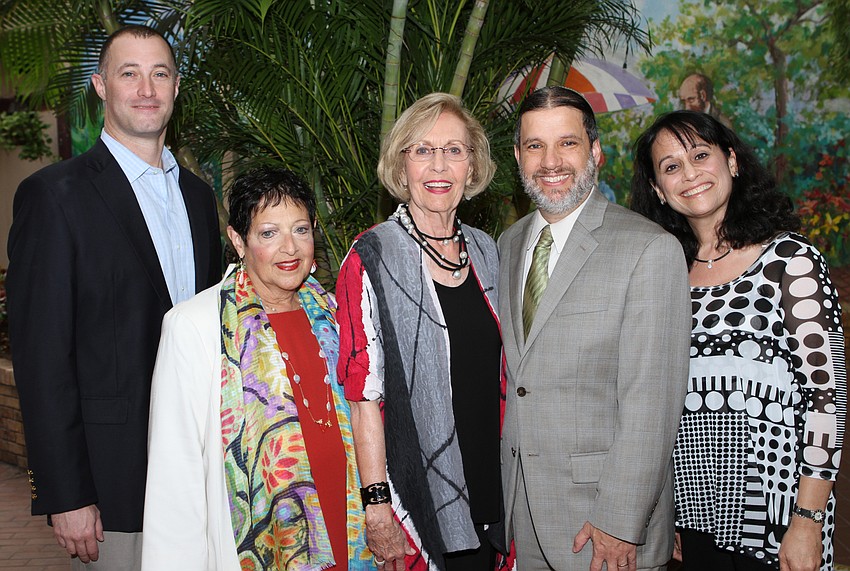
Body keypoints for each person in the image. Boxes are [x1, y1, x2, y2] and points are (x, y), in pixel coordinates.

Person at [5, 25, 222, 569]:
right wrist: (66, 492)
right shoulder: (54, 197)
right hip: (115, 485)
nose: (146, 88)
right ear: (101, 86)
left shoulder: (198, 198)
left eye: (160, 73)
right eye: (130, 73)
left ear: (176, 88)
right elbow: (42, 358)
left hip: (207, 474)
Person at [630, 110, 846, 571]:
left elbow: (829, 400)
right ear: (657, 190)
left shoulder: (790, 260)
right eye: (670, 167)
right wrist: (662, 516)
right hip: (691, 519)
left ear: (731, 162)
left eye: (700, 156)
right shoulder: (663, 276)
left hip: (778, 517)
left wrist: (808, 520)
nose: (689, 174)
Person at [498, 86, 692, 571]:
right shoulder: (508, 244)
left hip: (601, 525)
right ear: (518, 156)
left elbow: (653, 401)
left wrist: (620, 520)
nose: (550, 161)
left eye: (567, 143)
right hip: (521, 515)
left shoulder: (648, 249)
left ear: (596, 151)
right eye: (534, 145)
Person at [142, 166, 372, 570]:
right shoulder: (195, 325)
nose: (290, 248)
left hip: (350, 525)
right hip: (262, 543)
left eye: (300, 230)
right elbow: (174, 474)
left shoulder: (336, 314)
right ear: (238, 239)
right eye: (269, 233)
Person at [336, 92, 503, 571]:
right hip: (418, 501)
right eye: (423, 150)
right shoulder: (372, 256)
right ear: (401, 164)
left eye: (454, 150)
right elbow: (363, 396)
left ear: (472, 166)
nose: (439, 165)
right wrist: (377, 507)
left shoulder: (487, 251)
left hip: (494, 495)